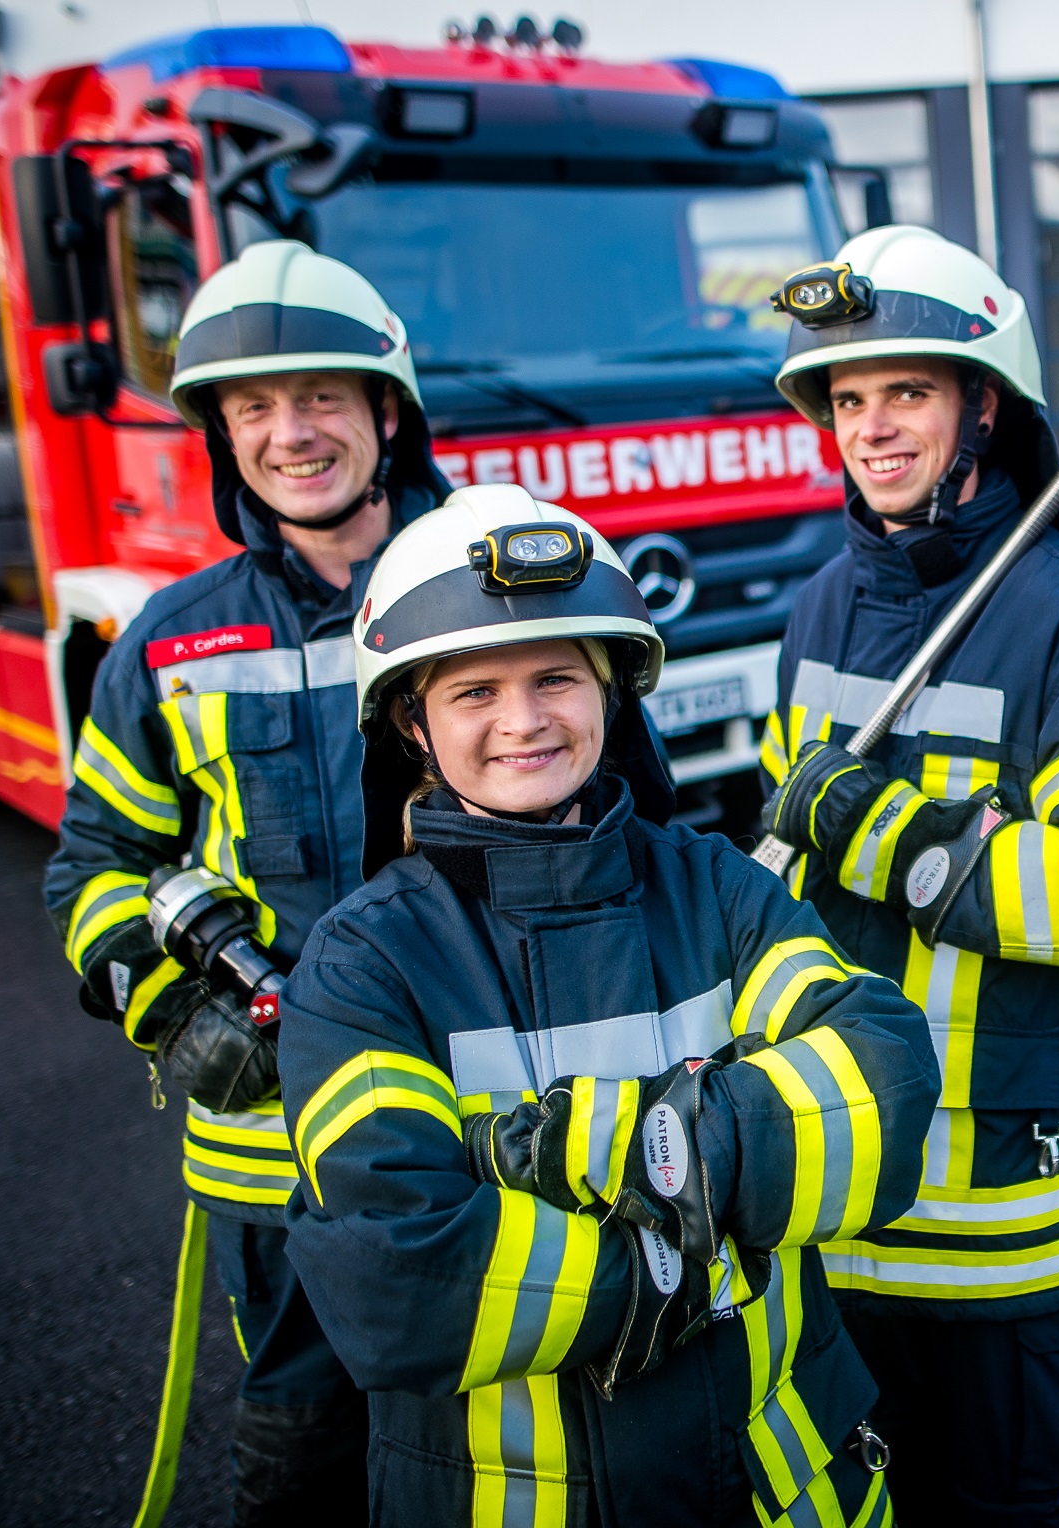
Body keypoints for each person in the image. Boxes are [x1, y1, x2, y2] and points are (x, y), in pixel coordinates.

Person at [274, 482, 939, 1525]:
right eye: (474, 692)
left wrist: (610, 1143)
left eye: (555, 677)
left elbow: (886, 1086)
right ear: (411, 720)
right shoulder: (364, 965)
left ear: (610, 693)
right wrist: (715, 1233)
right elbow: (399, 1278)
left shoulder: (717, 887)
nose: (525, 720)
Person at [756, 226, 1059, 1527]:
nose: (872, 426)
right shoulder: (815, 612)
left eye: (906, 390)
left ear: (984, 410)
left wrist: (893, 836)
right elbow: (791, 873)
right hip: (835, 1211)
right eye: (847, 398)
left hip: (1006, 1234)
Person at [41, 240, 451, 1523]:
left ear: (386, 411)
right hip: (275, 1164)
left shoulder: (491, 589)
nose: (293, 433)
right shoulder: (169, 641)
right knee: (303, 1454)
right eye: (254, 408)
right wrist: (171, 1007)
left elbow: (635, 825)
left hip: (491, 1128)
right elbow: (96, 864)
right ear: (221, 436)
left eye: (322, 396)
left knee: (501, 1439)